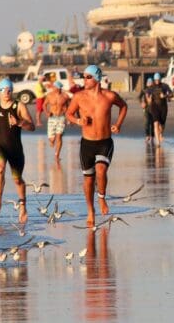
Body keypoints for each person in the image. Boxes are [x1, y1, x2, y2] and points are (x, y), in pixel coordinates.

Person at [65, 65, 128, 227]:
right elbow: (69, 114)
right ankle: (90, 210)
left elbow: (124, 106)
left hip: (105, 142)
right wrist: (79, 121)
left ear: (97, 79)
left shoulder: (109, 96)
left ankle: (101, 198)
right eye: (83, 77)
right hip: (87, 144)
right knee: (88, 179)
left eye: (87, 77)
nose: (84, 80)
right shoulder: (79, 97)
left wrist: (118, 124)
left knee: (101, 170)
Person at [0, 78, 35, 223]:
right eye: (4, 89)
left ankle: (23, 206)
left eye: (9, 90)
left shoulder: (20, 106)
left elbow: (32, 126)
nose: (6, 92)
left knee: (17, 180)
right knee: (0, 168)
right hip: (0, 145)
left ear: (12, 91)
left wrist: (18, 122)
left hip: (16, 149)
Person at [44, 81, 70, 160]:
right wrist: (47, 112)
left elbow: (68, 107)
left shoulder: (65, 96)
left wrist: (68, 118)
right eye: (55, 87)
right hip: (52, 117)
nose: (55, 89)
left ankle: (57, 155)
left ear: (60, 88)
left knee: (59, 137)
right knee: (52, 139)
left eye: (57, 88)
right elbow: (44, 105)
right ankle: (52, 141)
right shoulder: (49, 96)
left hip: (61, 118)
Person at [146, 72, 172, 146]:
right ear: (154, 80)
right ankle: (158, 142)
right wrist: (149, 100)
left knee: (162, 125)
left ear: (160, 79)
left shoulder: (164, 86)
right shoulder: (151, 87)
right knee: (156, 123)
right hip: (155, 107)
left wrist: (165, 96)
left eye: (158, 80)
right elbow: (147, 98)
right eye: (156, 80)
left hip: (163, 107)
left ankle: (161, 133)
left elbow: (171, 94)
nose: (157, 81)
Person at [139, 78, 154, 143]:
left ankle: (152, 137)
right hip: (146, 108)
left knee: (153, 123)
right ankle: (147, 136)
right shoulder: (144, 90)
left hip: (153, 108)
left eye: (150, 82)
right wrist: (141, 103)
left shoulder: (154, 89)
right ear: (147, 83)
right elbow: (139, 97)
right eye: (148, 82)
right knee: (146, 123)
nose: (149, 84)